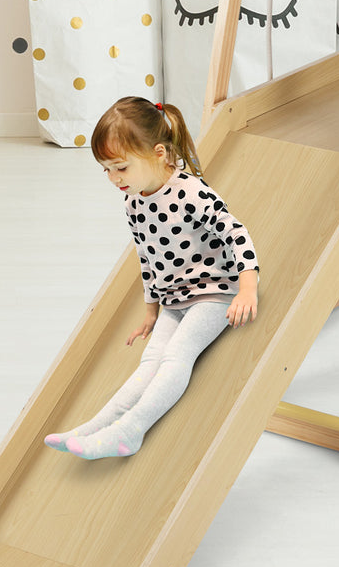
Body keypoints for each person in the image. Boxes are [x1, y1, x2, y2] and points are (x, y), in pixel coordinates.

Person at [45, 97, 259, 460]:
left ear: (158, 153)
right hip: (174, 300)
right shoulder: (134, 202)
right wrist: (151, 310)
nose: (114, 179)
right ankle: (95, 427)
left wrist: (247, 288)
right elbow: (148, 257)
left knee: (176, 356)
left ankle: (131, 430)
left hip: (214, 292)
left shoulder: (191, 192)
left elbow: (236, 232)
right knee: (149, 362)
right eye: (106, 170)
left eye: (121, 168)